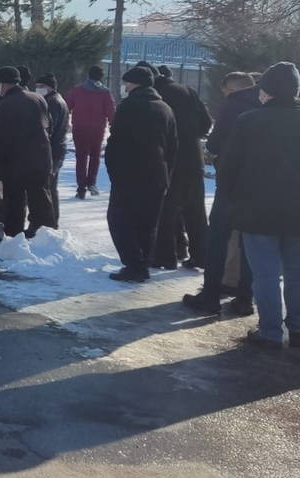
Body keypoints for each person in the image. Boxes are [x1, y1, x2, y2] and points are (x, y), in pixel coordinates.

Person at [216, 62, 300, 346]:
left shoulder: (249, 121)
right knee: (296, 272)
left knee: (265, 274)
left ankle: (270, 332)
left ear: (266, 91)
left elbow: (228, 168)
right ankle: (298, 327)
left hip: (257, 211)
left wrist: (233, 199)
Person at [184, 72, 259, 315]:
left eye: (225, 91)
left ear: (233, 89)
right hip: (258, 187)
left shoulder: (233, 105)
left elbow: (214, 144)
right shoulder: (266, 104)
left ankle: (210, 296)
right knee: (249, 244)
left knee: (218, 239)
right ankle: (245, 298)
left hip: (230, 183)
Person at [104, 66, 178, 282]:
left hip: (130, 174)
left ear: (135, 84)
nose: (125, 87)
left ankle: (134, 264)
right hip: (157, 175)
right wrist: (167, 174)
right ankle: (143, 263)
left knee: (119, 219)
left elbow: (116, 143)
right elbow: (173, 146)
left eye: (127, 83)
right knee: (147, 223)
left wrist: (114, 172)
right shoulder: (165, 108)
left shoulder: (129, 106)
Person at [151, 65, 213, 269]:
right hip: (194, 158)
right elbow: (206, 123)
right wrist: (192, 135)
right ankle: (201, 255)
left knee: (166, 211)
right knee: (196, 210)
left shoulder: (157, 96)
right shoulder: (189, 91)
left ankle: (166, 256)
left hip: (170, 159)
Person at [0, 66, 55, 238]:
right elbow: (50, 126)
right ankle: (45, 234)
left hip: (15, 162)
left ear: (3, 84)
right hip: (41, 157)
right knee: (40, 197)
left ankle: (14, 236)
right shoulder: (38, 98)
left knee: (14, 202)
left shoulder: (5, 105)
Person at [65, 65, 115, 199]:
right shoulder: (105, 93)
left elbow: (67, 106)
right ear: (101, 77)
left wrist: (66, 122)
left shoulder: (77, 90)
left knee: (81, 157)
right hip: (97, 129)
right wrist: (113, 126)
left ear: (89, 75)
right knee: (95, 156)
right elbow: (111, 111)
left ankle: (81, 188)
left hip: (79, 128)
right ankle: (92, 182)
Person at [35, 74, 69, 224]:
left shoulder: (52, 103)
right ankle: (51, 220)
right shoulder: (58, 99)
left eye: (41, 86)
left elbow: (48, 128)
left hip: (52, 150)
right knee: (50, 186)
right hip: (57, 148)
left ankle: (49, 221)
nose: (38, 89)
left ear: (49, 87)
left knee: (46, 186)